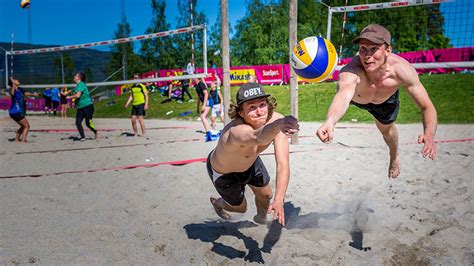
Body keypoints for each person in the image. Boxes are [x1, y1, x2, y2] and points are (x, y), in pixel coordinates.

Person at [316, 24, 437, 179]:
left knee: (386, 130)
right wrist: (330, 121)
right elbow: (344, 93)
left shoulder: (402, 70)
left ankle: (394, 157)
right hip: (357, 96)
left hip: (385, 101)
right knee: (345, 92)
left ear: (388, 50)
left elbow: (427, 107)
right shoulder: (352, 70)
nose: (367, 55)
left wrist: (429, 133)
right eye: (363, 48)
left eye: (374, 49)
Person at [207, 82, 299, 226]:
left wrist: (279, 199)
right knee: (241, 208)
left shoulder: (277, 121)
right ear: (241, 112)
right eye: (252, 107)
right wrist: (279, 125)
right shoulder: (236, 130)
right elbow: (258, 137)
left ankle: (261, 218)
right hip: (225, 173)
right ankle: (217, 202)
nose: (259, 111)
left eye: (262, 105)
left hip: (250, 161)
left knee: (267, 195)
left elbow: (283, 164)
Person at [67, 72, 97, 141]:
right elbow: (77, 97)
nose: (74, 76)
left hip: (88, 106)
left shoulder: (81, 84)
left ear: (79, 78)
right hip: (80, 107)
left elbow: (77, 95)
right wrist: (74, 102)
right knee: (78, 122)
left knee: (88, 123)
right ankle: (83, 137)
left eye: (75, 76)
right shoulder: (77, 86)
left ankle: (95, 132)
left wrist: (69, 97)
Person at [8, 77, 38, 142]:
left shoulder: (20, 89)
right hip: (15, 112)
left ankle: (16, 139)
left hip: (16, 112)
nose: (18, 80)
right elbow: (12, 94)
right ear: (13, 83)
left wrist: (33, 94)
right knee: (27, 126)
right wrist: (13, 83)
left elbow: (26, 93)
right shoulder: (13, 90)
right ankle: (23, 140)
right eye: (16, 80)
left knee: (23, 126)